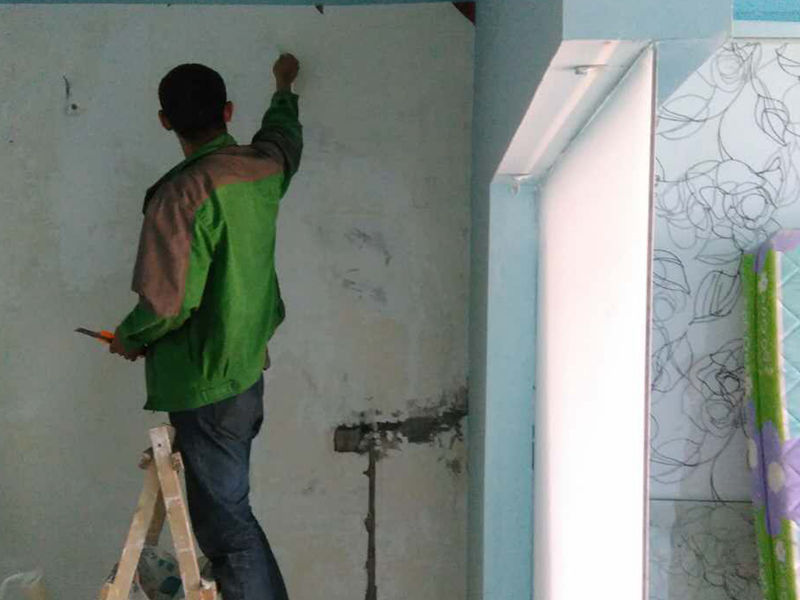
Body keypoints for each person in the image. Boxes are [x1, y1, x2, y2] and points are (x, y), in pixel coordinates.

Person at [108, 54, 302, 600]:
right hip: (244, 372)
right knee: (233, 520)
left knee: (227, 533)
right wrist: (284, 87)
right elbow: (284, 139)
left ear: (165, 121)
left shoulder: (181, 195)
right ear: (228, 111)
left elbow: (167, 306)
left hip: (206, 385)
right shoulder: (262, 169)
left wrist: (128, 337)